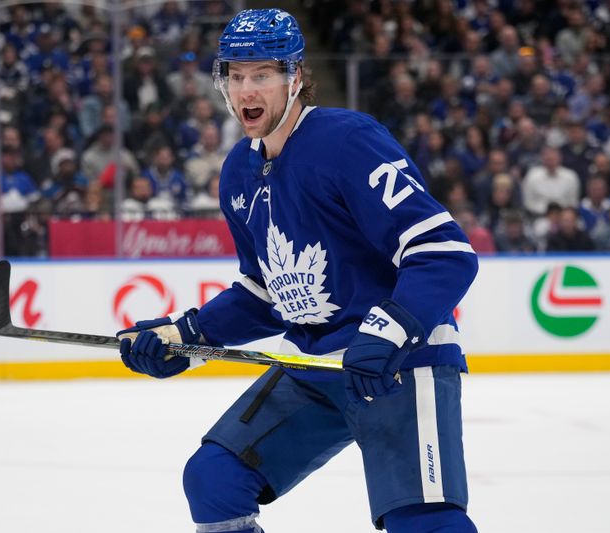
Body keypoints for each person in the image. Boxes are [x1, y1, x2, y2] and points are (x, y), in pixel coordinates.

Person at [117, 9, 478, 533]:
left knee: (423, 522)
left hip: (401, 362)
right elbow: (265, 293)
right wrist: (184, 336)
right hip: (317, 368)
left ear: (296, 77)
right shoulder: (238, 171)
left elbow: (444, 251)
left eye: (262, 74)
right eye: (235, 76)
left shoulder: (348, 140)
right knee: (214, 480)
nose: (247, 89)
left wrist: (390, 330)